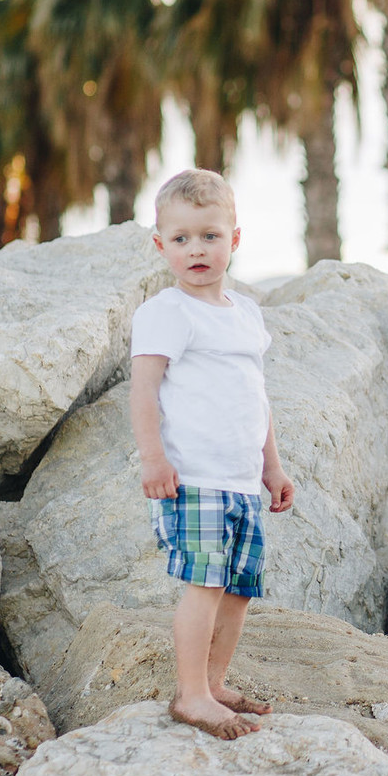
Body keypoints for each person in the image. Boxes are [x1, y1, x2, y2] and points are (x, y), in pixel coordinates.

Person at [129, 168, 296, 740]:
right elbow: (144, 392)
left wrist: (271, 466)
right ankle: (191, 694)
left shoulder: (246, 313)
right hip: (193, 478)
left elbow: (257, 396)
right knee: (204, 584)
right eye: (180, 239)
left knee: (238, 589)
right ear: (160, 245)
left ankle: (216, 681)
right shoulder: (167, 312)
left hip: (242, 479)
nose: (195, 249)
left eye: (209, 235)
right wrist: (153, 459)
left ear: (235, 239)